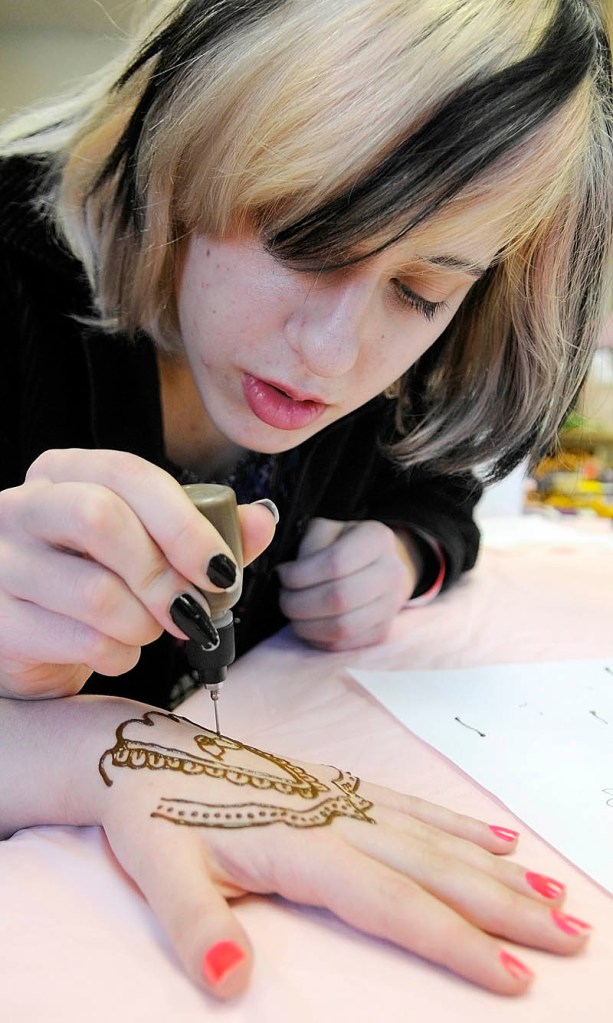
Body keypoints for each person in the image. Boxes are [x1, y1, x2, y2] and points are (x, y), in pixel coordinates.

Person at [0, 0, 611, 1002]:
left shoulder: (393, 387)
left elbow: (442, 492)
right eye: (300, 236)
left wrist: (408, 553)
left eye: (421, 289)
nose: (332, 359)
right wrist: (93, 751)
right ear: (188, 147)